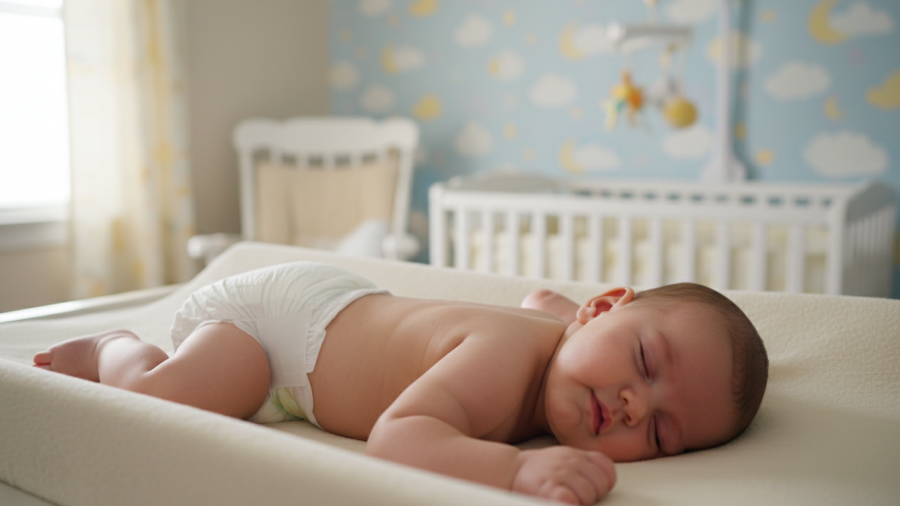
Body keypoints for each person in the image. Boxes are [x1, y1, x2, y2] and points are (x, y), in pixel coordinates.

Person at [33, 261, 768, 505]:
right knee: (167, 405)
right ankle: (116, 347)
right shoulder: (503, 359)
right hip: (277, 329)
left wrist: (548, 309)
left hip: (350, 312)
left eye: (665, 432)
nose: (637, 407)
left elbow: (541, 307)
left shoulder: (567, 340)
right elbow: (397, 437)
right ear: (599, 307)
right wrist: (516, 466)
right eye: (644, 364)